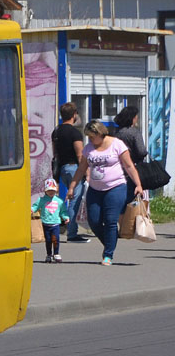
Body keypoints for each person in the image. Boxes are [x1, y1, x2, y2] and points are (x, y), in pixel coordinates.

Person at [66, 119, 143, 266]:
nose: (90, 140)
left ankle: (108, 254)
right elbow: (81, 169)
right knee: (94, 221)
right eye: (88, 137)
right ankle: (110, 242)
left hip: (116, 187)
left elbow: (129, 166)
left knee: (110, 220)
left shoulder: (117, 144)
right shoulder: (89, 148)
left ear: (100, 133)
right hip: (95, 189)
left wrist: (139, 184)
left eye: (92, 136)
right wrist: (72, 187)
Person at [52, 102, 89, 243]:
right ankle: (72, 233)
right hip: (74, 168)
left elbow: (55, 153)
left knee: (69, 198)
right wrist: (85, 171)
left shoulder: (56, 131)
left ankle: (64, 227)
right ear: (74, 115)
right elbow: (80, 155)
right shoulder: (75, 133)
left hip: (62, 168)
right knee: (74, 201)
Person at [114, 106, 147, 205]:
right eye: (136, 116)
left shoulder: (116, 133)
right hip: (135, 167)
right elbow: (141, 151)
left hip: (119, 168)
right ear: (132, 118)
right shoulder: (134, 132)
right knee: (134, 196)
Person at [31, 178, 69, 264]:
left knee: (55, 239)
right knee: (48, 240)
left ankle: (56, 253)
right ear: (45, 190)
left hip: (55, 224)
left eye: (53, 190)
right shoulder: (42, 200)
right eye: (49, 190)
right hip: (45, 223)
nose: (51, 192)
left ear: (56, 190)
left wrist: (66, 217)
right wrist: (32, 209)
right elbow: (36, 206)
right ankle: (49, 254)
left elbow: (63, 211)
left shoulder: (59, 201)